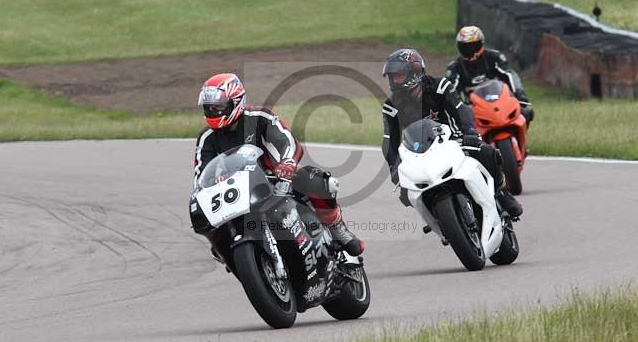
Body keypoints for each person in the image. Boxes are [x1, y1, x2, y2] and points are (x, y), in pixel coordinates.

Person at [193, 73, 364, 257]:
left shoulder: (259, 116)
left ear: (236, 101)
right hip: (237, 194)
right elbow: (200, 175)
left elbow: (286, 140)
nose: (212, 109)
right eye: (208, 106)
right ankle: (230, 253)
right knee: (207, 223)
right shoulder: (206, 138)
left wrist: (287, 161)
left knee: (315, 179)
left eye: (218, 105)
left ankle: (337, 228)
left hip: (275, 179)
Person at [381, 49, 523, 218]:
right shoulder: (391, 106)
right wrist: (394, 169)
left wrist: (470, 133)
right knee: (407, 194)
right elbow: (390, 140)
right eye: (392, 77)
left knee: (487, 153)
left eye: (398, 76)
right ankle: (438, 218)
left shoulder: (440, 86)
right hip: (420, 153)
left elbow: (461, 110)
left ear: (414, 73)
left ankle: (501, 193)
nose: (394, 81)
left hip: (454, 141)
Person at [446, 26, 534, 126]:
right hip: (473, 107)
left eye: (474, 46)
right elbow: (451, 89)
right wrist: (457, 107)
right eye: (465, 47)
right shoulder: (454, 67)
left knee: (526, 113)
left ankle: (521, 139)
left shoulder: (494, 57)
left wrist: (520, 94)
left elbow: (509, 74)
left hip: (501, 101)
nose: (470, 51)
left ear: (481, 44)